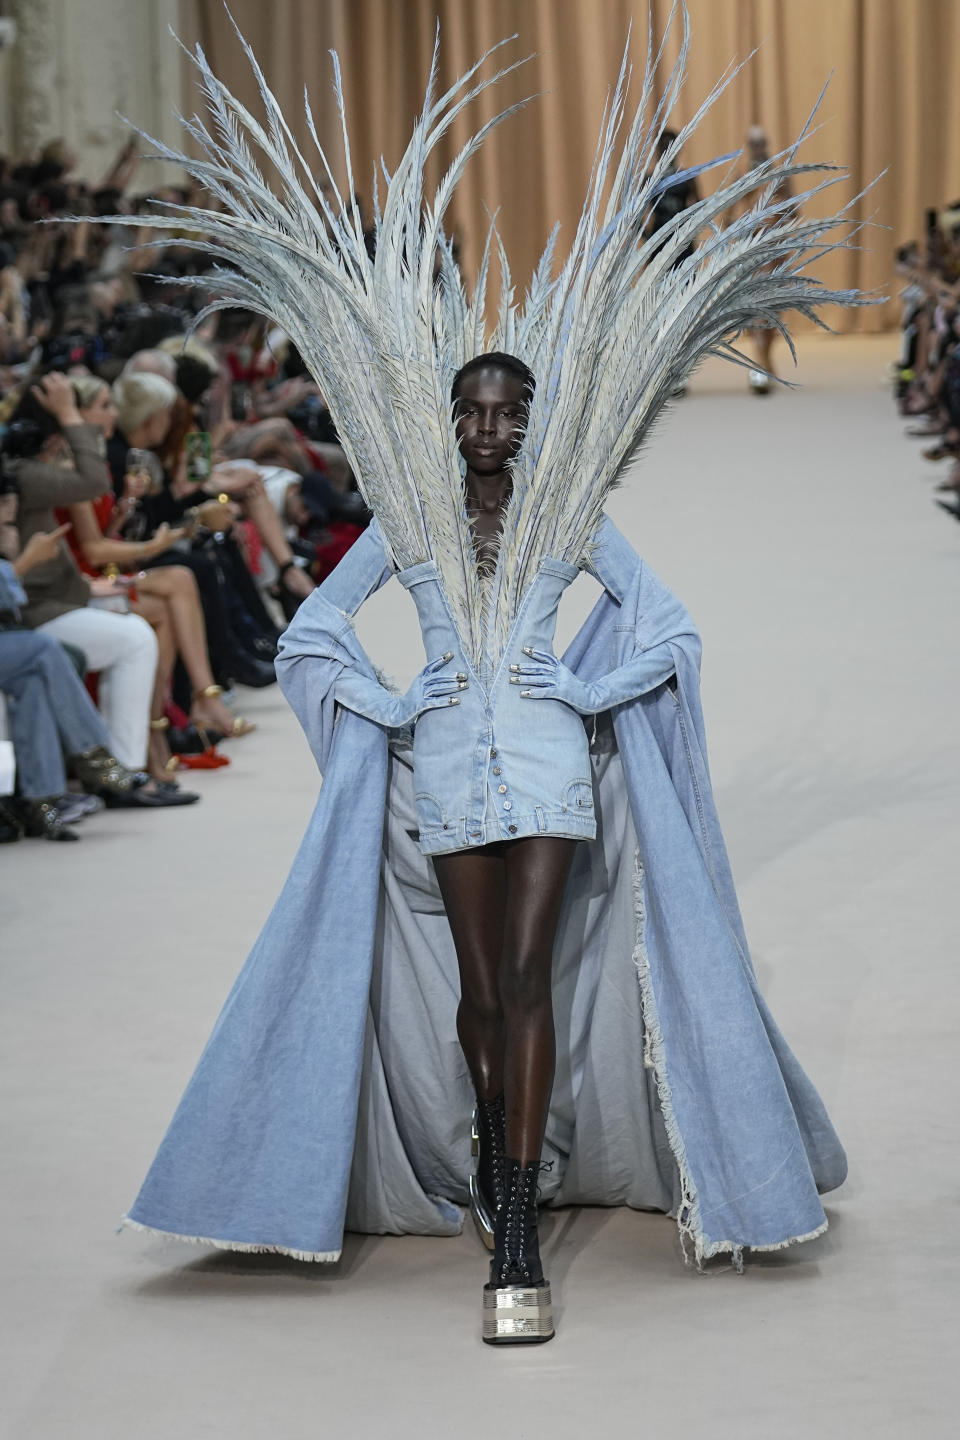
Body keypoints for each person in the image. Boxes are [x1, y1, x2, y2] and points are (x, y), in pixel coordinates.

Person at [105, 8, 865, 1347]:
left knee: (523, 978)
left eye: (513, 410)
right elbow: (312, 636)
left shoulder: (572, 514)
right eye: (477, 410)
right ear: (451, 420)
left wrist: (591, 695)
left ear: (538, 420)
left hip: (552, 766)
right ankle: (500, 1172)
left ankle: (513, 1223)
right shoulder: (409, 520)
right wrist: (389, 712)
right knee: (481, 990)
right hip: (451, 764)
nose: (495, 426)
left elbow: (670, 625)